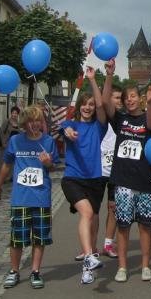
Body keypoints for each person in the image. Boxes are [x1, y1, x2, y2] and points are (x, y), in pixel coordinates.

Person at [101, 61, 151, 284]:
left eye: (133, 96)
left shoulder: (148, 117)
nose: (130, 100)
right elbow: (105, 102)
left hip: (144, 181)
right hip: (123, 182)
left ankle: (145, 266)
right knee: (123, 227)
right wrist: (109, 75)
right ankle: (123, 267)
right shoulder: (121, 119)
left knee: (145, 226)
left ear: (140, 98)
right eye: (126, 98)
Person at [0, 105, 59, 288]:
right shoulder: (15, 141)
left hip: (41, 197)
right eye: (30, 120)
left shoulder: (48, 141)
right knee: (17, 238)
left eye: (38, 120)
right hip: (20, 197)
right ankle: (14, 271)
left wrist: (48, 163)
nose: (34, 124)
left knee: (40, 237)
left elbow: (54, 167)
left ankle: (35, 271)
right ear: (23, 123)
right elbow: (7, 164)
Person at [60, 68, 108, 285]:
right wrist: (68, 133)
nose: (88, 107)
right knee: (87, 214)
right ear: (79, 106)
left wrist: (92, 80)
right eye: (84, 104)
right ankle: (88, 256)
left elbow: (101, 105)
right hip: (73, 178)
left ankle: (88, 267)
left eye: (91, 105)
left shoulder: (99, 127)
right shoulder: (71, 124)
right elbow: (65, 130)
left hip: (95, 180)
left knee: (93, 221)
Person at [99, 87, 122, 259]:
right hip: (98, 170)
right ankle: (89, 247)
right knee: (92, 210)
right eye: (116, 98)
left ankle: (108, 243)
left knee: (113, 208)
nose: (120, 101)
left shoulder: (123, 119)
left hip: (116, 171)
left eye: (121, 98)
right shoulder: (100, 119)